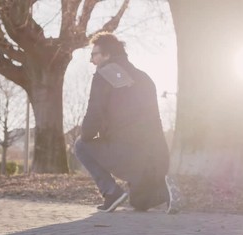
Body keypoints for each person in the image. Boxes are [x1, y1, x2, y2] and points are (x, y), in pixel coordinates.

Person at [74, 32, 181, 214]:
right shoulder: (145, 78)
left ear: (106, 55)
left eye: (94, 55)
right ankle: (164, 190)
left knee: (80, 145)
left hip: (128, 153)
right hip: (155, 158)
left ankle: (111, 192)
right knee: (139, 202)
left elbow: (94, 117)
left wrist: (87, 137)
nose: (92, 60)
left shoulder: (104, 75)